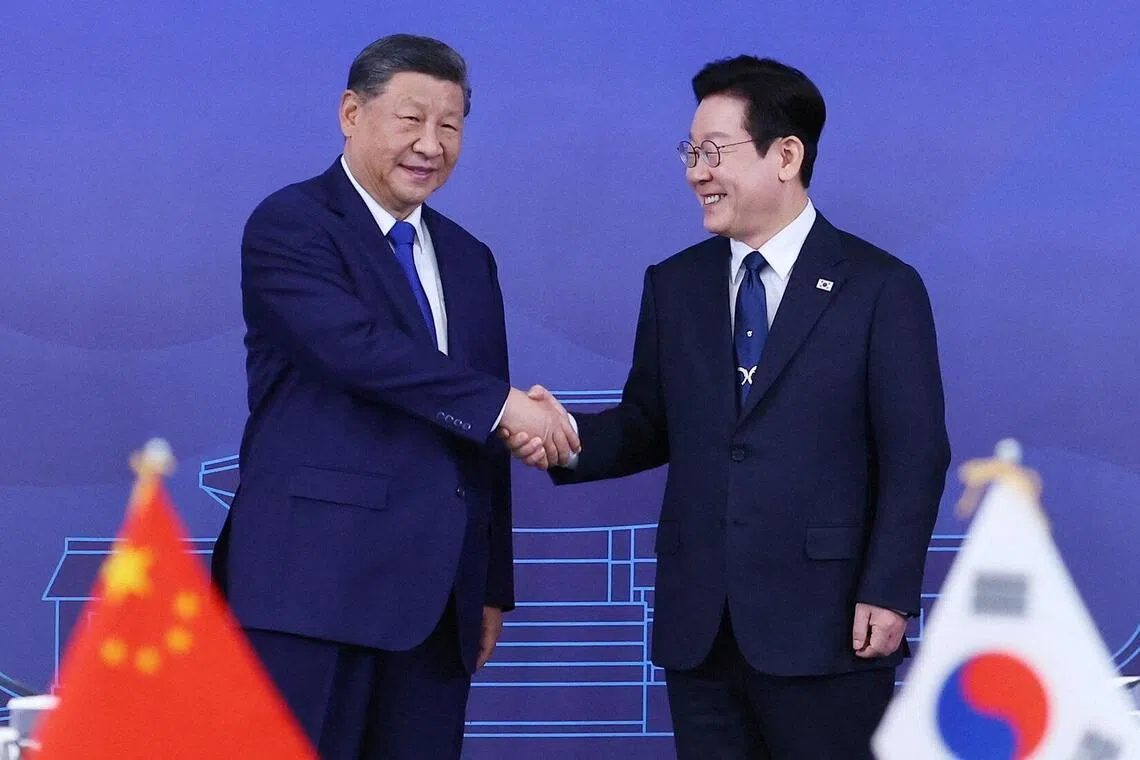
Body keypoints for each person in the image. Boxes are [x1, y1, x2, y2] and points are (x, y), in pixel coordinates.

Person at [504, 55, 950, 758]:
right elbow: (649, 423)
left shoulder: (879, 288)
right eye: (690, 153)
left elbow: (915, 452)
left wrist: (889, 592)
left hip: (828, 627)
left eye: (713, 153)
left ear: (786, 155)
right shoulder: (675, 285)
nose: (694, 172)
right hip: (701, 627)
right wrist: (561, 437)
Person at [210, 34, 577, 760]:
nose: (431, 145)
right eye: (410, 120)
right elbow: (360, 353)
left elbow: (480, 435)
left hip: (436, 607)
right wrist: (508, 406)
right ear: (352, 113)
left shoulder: (469, 258)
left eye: (450, 125)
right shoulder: (293, 225)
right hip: (311, 592)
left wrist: (489, 583)